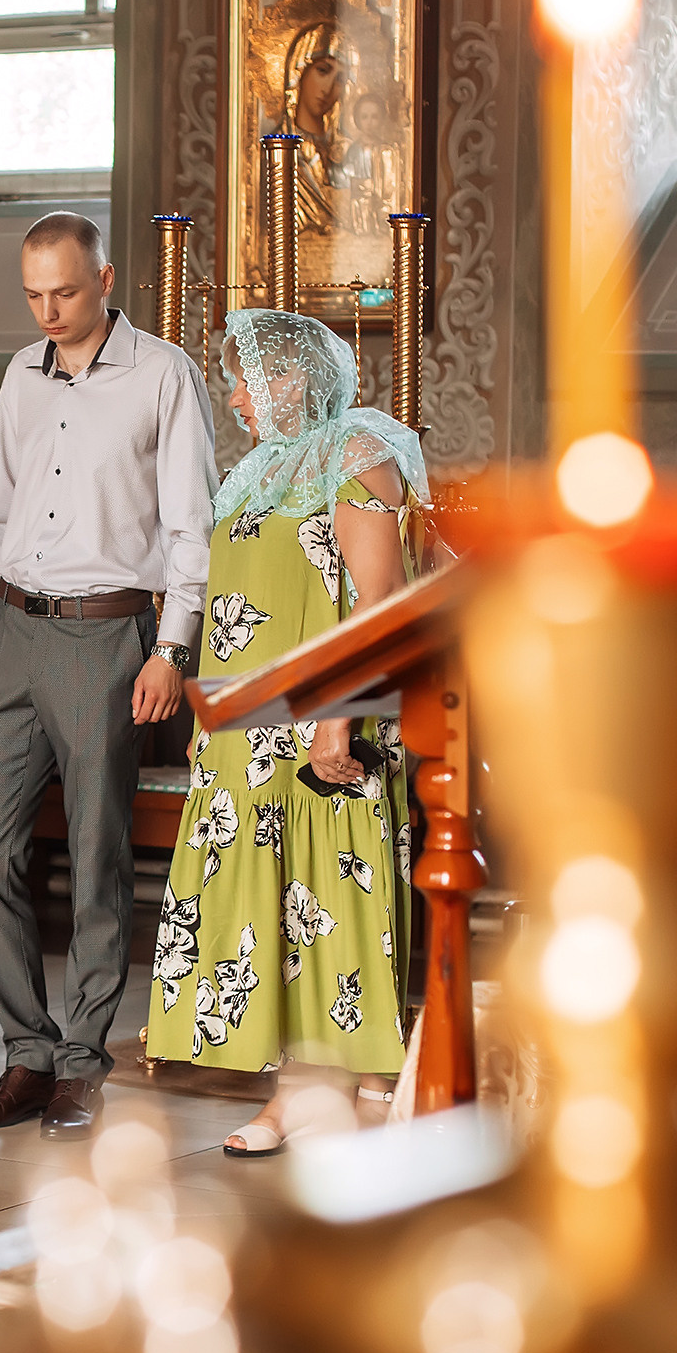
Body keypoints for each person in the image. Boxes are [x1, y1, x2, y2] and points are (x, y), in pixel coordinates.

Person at [0, 214, 216, 1140]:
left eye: (64, 291)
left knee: (98, 858)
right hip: (12, 627)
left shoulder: (164, 374)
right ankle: (26, 1052)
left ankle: (82, 1063)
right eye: (33, 295)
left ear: (104, 278)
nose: (48, 311)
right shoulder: (24, 373)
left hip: (109, 638)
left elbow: (190, 529)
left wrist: (172, 650)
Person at [141, 309, 426, 1155]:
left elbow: (381, 605)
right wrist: (212, 721)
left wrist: (340, 718)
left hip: (322, 729)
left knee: (322, 906)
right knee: (264, 909)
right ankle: (334, 1083)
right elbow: (239, 609)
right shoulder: (255, 474)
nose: (233, 397)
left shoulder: (357, 455)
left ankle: (310, 1095)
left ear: (292, 379)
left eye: (244, 378)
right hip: (247, 731)